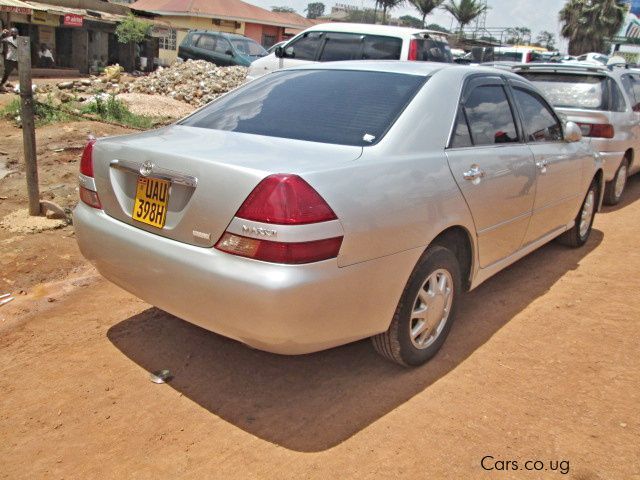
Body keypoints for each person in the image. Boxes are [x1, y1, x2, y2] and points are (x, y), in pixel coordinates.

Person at [1, 28, 18, 92]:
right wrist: (2, 35)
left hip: (15, 58)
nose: (14, 34)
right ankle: (1, 85)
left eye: (15, 32)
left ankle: (25, 86)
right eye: (12, 32)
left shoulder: (18, 39)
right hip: (8, 58)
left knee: (22, 71)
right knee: (6, 72)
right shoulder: (7, 39)